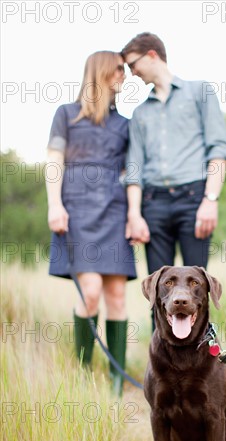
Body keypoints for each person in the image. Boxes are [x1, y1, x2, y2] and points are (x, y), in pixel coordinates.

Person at [46, 51, 137, 396]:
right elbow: (54, 161)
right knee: (92, 292)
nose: (124, 77)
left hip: (114, 211)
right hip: (77, 211)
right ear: (101, 72)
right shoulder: (65, 115)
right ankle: (83, 373)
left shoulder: (125, 125)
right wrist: (54, 204)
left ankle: (116, 380)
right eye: (119, 70)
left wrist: (133, 213)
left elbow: (133, 173)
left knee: (116, 294)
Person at [121, 32, 226, 276]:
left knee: (197, 287)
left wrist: (210, 200)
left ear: (152, 55)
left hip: (193, 199)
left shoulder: (199, 92)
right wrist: (134, 215)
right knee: (159, 290)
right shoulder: (139, 113)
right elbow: (134, 169)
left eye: (133, 64)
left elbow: (219, 149)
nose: (132, 73)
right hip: (154, 204)